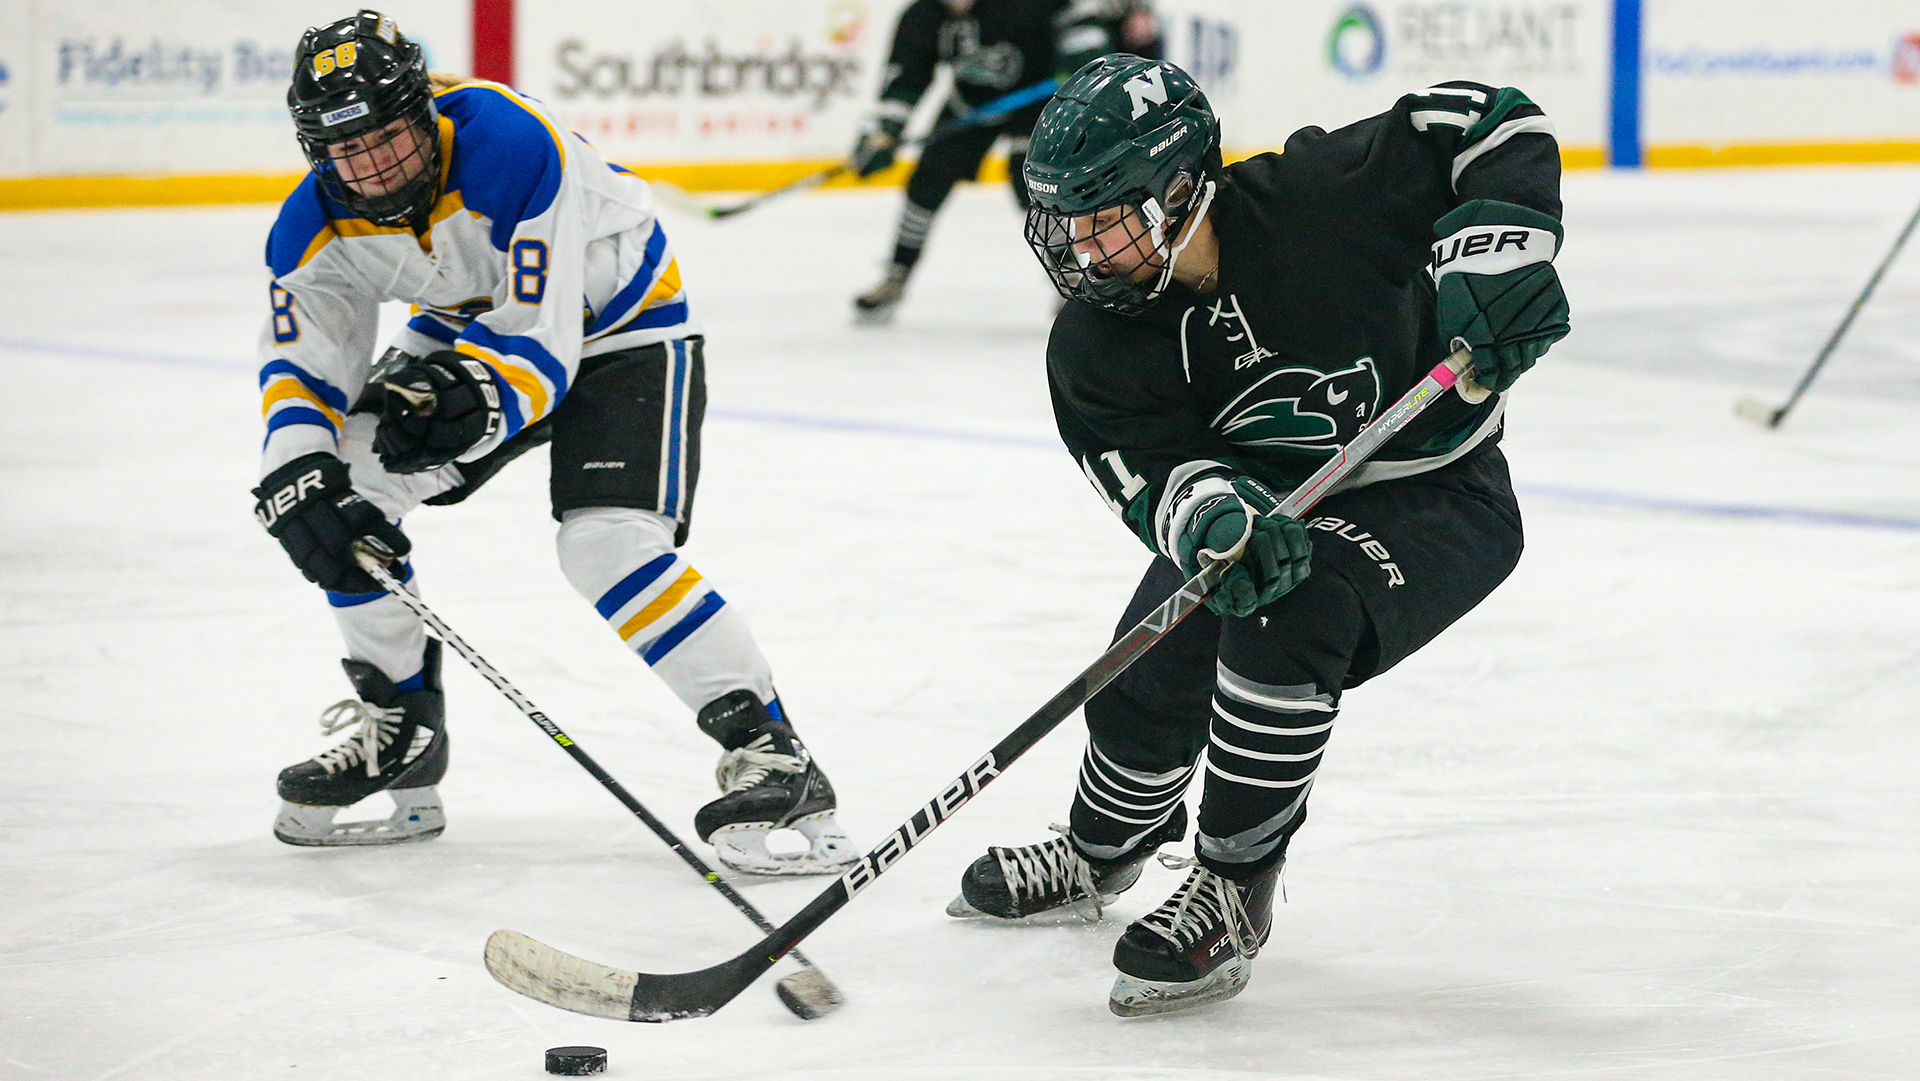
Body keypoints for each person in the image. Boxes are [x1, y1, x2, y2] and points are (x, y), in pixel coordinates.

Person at [947, 56, 1569, 1015]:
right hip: (1272, 503)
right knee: (1146, 663)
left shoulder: (1318, 200)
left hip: (1438, 493)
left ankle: (1236, 884)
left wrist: (1501, 251)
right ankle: (1098, 853)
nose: (1077, 247)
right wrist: (1211, 517)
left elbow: (1485, 121)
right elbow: (1152, 476)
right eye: (1063, 222)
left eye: (1102, 218)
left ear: (1181, 186)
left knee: (1288, 617)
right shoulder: (1093, 346)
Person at [251, 10, 855, 876]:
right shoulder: (310, 230)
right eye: (350, 152)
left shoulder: (510, 143)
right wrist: (296, 468)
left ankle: (773, 750)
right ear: (317, 153)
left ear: (422, 112)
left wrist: (475, 396)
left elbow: (539, 348)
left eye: (388, 137)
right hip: (472, 329)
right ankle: (403, 726)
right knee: (339, 496)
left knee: (605, 544)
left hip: (626, 328)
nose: (376, 168)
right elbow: (303, 375)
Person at [846, 0, 1160, 324]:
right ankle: (897, 273)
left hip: (1039, 104)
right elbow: (906, 77)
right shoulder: (921, 16)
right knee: (929, 177)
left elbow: (1080, 21)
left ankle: (1072, 277)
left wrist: (1083, 55)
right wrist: (884, 131)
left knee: (1034, 186)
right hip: (969, 104)